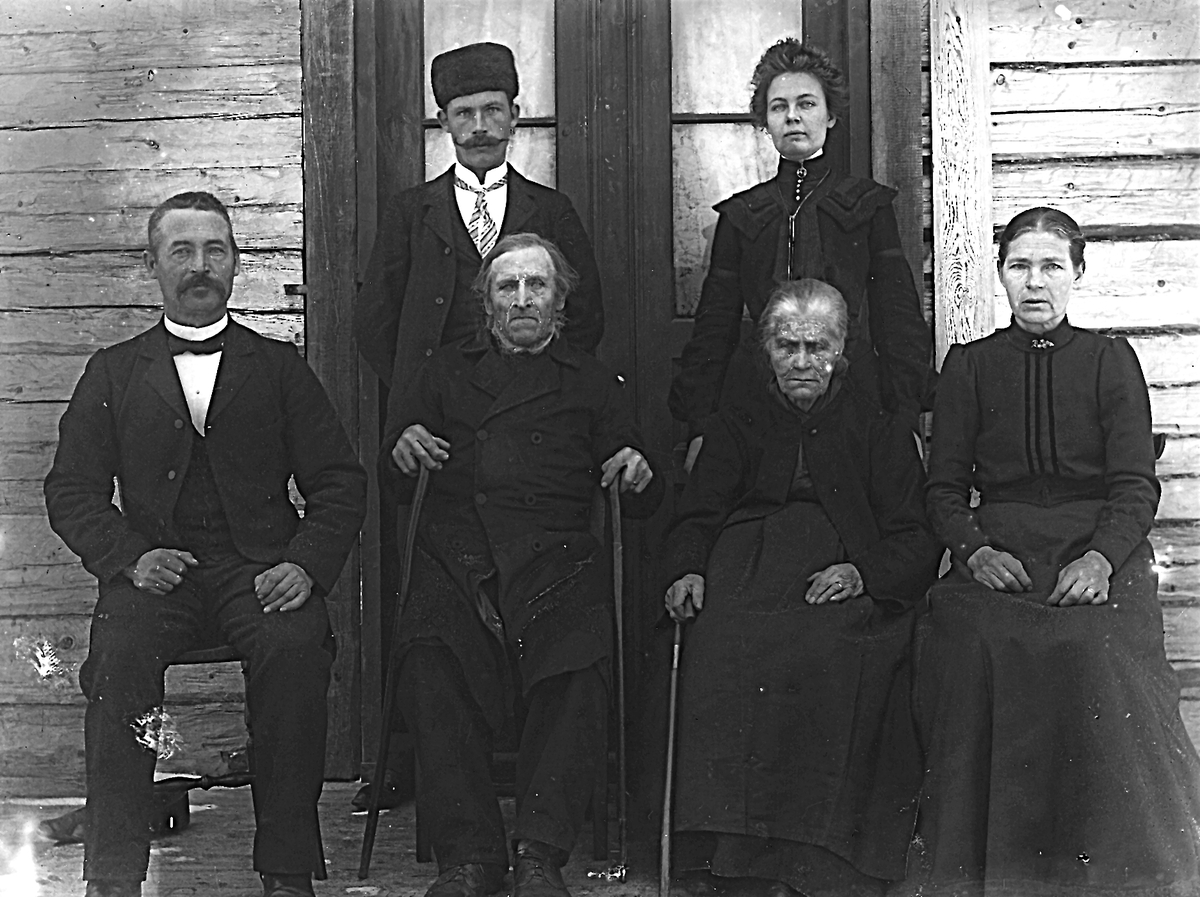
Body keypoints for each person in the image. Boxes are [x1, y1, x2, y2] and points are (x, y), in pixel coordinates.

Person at [43, 192, 368, 897]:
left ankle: (287, 871)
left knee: (296, 652)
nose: (200, 266)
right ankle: (113, 876)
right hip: (156, 577)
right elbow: (70, 489)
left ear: (236, 262)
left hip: (260, 573)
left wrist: (304, 565)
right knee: (117, 663)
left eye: (214, 250)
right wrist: (129, 557)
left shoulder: (277, 367)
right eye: (182, 251)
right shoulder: (114, 370)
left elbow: (340, 481)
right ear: (153, 265)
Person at [911, 207, 1200, 895]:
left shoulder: (1109, 361)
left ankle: (1109, 861)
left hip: (1096, 549)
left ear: (1078, 272)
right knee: (973, 640)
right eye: (1019, 266)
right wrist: (975, 551)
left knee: (1095, 647)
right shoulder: (970, 366)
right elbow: (943, 489)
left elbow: (1135, 484)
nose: (1034, 283)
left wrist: (1101, 559)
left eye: (1050, 266)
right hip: (1000, 552)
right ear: (1000, 274)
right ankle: (989, 861)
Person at [354, 40, 605, 809]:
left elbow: (588, 317)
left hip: (529, 431)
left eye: (494, 110)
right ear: (444, 123)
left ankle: (539, 764)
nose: (481, 126)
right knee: (425, 593)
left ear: (516, 116)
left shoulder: (550, 212)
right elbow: (374, 321)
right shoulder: (412, 212)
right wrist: (421, 396)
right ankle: (406, 755)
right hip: (436, 434)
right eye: (464, 113)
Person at [383, 233, 662, 897]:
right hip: (461, 558)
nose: (523, 298)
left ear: (560, 301)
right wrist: (404, 446)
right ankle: (469, 857)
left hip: (555, 559)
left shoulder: (591, 381)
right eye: (507, 287)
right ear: (487, 303)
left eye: (537, 285)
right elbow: (396, 479)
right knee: (429, 657)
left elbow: (641, 487)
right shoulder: (444, 373)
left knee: (578, 662)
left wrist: (635, 467)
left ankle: (540, 851)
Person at [662, 280, 941, 897]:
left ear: (841, 352)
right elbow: (697, 515)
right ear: (767, 351)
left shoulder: (878, 428)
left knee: (831, 654)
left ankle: (815, 862)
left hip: (844, 576)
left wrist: (865, 574)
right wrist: (687, 569)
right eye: (787, 347)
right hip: (743, 571)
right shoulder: (737, 423)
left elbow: (914, 535)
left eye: (817, 348)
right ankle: (724, 856)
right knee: (722, 644)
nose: (801, 362)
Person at [669, 39, 932, 472]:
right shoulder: (741, 216)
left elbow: (897, 319)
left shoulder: (867, 207)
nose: (792, 116)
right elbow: (715, 327)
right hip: (758, 404)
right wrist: (701, 426)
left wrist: (905, 420)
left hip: (856, 402)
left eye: (806, 104)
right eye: (779, 107)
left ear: (830, 116)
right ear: (765, 122)